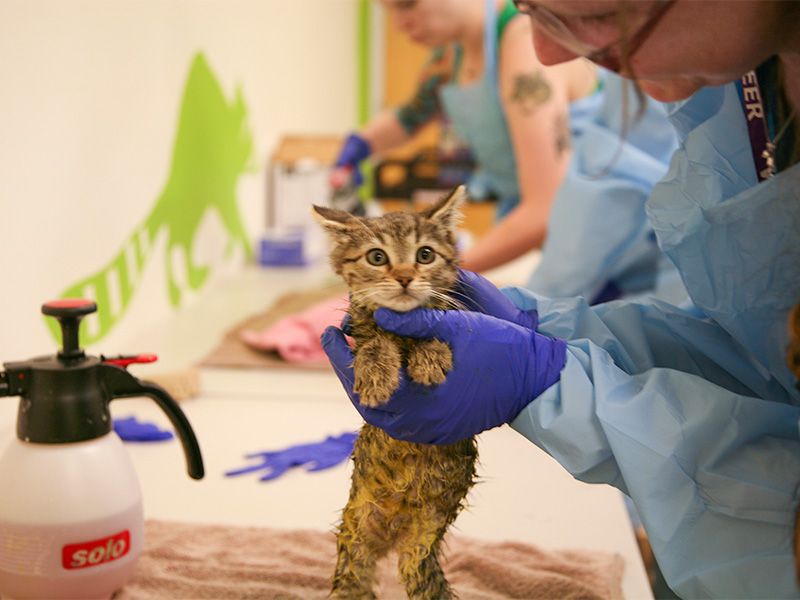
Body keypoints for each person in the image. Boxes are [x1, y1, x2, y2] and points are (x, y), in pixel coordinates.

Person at [322, 0, 800, 597]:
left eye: (578, 8)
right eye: (528, 7)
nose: (550, 52)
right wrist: (542, 328)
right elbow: (760, 360)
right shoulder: (740, 86)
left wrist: (547, 378)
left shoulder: (523, 48)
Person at [332, 0, 599, 273]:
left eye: (407, 5)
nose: (399, 24)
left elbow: (546, 209)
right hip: (563, 239)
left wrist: (437, 271)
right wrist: (359, 145)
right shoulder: (450, 54)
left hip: (602, 235)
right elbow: (411, 116)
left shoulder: (525, 45)